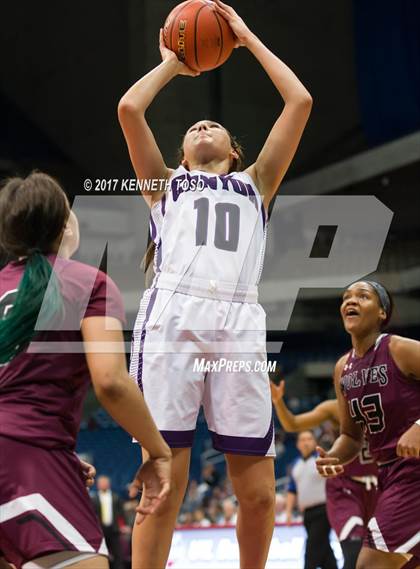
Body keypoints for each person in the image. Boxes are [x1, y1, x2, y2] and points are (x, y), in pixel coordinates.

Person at [118, 0, 312, 566]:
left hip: (238, 325)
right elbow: (130, 107)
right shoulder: (164, 185)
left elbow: (299, 101)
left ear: (234, 152)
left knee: (256, 493)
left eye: (214, 126)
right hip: (173, 320)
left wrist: (247, 40)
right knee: (165, 484)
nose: (203, 125)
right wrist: (174, 64)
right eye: (193, 127)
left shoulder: (258, 182)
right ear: (180, 154)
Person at [0, 172, 172, 569]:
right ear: (65, 224)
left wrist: (55, 448)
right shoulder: (87, 282)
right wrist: (159, 452)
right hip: (28, 459)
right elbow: (111, 382)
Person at [316, 280, 420, 569]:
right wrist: (334, 456)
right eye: (346, 297)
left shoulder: (398, 349)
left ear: (382, 312)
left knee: (370, 564)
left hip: (414, 473)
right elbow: (351, 436)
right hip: (389, 475)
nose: (351, 301)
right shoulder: (342, 369)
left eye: (363, 296)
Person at [271, 380, 378, 569]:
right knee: (354, 556)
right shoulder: (335, 408)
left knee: (388, 558)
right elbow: (292, 423)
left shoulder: (390, 401)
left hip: (381, 487)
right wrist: (278, 402)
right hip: (346, 489)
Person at [287, 431, 338, 569]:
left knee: (311, 550)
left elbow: (334, 480)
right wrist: (288, 512)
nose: (306, 442)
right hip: (307, 514)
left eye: (309, 439)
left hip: (323, 511)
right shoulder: (295, 465)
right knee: (324, 550)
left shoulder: (321, 460)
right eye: (302, 439)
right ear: (297, 444)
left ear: (315, 442)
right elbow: (292, 490)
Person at [91, 476, 127, 569]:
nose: (103, 485)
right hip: (100, 531)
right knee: (100, 554)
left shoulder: (116, 497)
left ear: (108, 484)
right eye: (101, 483)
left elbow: (121, 513)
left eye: (105, 483)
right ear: (98, 485)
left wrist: (123, 526)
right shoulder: (93, 498)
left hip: (114, 529)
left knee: (118, 554)